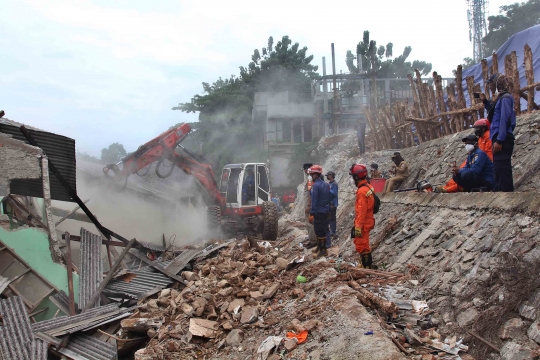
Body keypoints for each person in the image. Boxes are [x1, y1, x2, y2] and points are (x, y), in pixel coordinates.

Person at [436, 119, 493, 193]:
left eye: (469, 143)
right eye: (466, 143)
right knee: (456, 176)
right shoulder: (471, 154)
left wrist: (460, 170)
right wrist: (457, 171)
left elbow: (475, 170)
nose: (467, 145)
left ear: (475, 144)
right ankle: (467, 189)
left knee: (466, 174)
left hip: (486, 180)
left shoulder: (480, 153)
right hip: (478, 177)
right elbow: (466, 167)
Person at [489, 74, 516, 192]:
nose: (489, 86)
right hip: (500, 137)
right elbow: (495, 115)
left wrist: (500, 140)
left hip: (502, 139)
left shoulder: (505, 98)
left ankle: (506, 195)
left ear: (496, 84)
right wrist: (485, 102)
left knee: (503, 169)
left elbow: (505, 119)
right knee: (498, 169)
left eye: (491, 83)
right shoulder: (500, 99)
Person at [349, 164, 376, 269]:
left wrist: (358, 227)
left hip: (363, 223)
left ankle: (367, 267)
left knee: (362, 245)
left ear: (356, 177)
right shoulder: (368, 187)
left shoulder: (361, 192)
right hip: (368, 220)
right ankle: (365, 264)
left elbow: (362, 211)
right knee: (364, 243)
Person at [309, 165, 330, 258]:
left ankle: (323, 251)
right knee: (323, 229)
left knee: (319, 231)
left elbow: (314, 200)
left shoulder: (316, 186)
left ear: (315, 175)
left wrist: (312, 213)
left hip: (318, 211)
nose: (311, 176)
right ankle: (319, 247)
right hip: (325, 210)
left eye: (311, 174)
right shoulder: (326, 184)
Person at [302, 163, 317, 248]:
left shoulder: (310, 179)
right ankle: (312, 239)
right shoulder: (310, 178)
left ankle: (313, 241)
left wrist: (308, 205)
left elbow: (310, 193)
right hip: (310, 204)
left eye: (304, 169)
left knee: (310, 222)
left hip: (309, 205)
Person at [326, 171, 339, 243]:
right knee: (329, 218)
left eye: (328, 175)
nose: (327, 177)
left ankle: (333, 231)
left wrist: (332, 203)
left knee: (332, 218)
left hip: (332, 204)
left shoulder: (334, 184)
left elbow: (334, 194)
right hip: (329, 204)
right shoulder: (330, 184)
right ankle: (331, 230)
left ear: (331, 175)